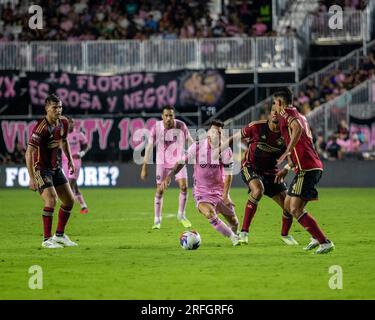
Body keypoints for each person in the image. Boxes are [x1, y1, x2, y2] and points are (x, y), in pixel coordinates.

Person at [225, 105, 298, 245]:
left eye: (279, 112)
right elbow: (234, 137)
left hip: (272, 172)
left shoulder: (287, 134)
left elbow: (291, 156)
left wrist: (287, 168)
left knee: (289, 206)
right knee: (258, 190)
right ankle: (244, 232)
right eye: (273, 111)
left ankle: (285, 235)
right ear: (269, 114)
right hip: (251, 167)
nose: (275, 114)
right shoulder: (256, 127)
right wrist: (220, 150)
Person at [273, 88, 334, 254]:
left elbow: (298, 129)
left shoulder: (287, 113)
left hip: (307, 168)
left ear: (279, 102)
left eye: (274, 103)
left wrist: (287, 151)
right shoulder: (299, 114)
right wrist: (287, 167)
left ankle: (324, 242)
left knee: (295, 209)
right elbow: (302, 142)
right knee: (288, 204)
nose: (274, 107)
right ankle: (311, 236)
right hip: (309, 166)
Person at [160, 120, 240, 246]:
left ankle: (236, 234)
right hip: (202, 192)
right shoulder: (197, 147)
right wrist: (170, 175)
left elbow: (229, 174)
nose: (216, 135)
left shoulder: (225, 150)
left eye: (219, 133)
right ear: (208, 133)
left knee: (234, 222)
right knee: (209, 213)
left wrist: (225, 195)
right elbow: (182, 162)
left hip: (220, 191)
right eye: (214, 131)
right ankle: (233, 238)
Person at [25, 94, 77, 249]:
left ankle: (59, 235)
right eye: (55, 107)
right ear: (47, 109)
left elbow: (64, 140)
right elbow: (28, 153)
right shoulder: (41, 128)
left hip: (55, 168)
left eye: (60, 107)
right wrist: (31, 178)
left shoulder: (64, 122)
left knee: (69, 200)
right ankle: (47, 239)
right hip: (41, 169)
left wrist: (71, 160)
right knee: (51, 200)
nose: (58, 110)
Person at [140, 105, 193, 229]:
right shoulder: (156, 127)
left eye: (171, 115)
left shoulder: (181, 126)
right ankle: (157, 220)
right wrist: (144, 166)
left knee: (184, 187)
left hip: (178, 162)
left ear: (174, 116)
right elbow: (149, 147)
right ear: (162, 116)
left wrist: (198, 152)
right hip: (162, 163)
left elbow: (190, 141)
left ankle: (181, 215)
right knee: (160, 190)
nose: (168, 118)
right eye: (166, 115)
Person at [62, 117, 90, 214]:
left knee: (70, 183)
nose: (72, 124)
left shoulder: (79, 134)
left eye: (73, 123)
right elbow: (58, 148)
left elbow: (87, 145)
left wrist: (81, 153)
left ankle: (66, 205)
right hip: (65, 162)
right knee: (74, 186)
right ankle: (84, 206)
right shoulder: (62, 134)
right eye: (70, 123)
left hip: (76, 161)